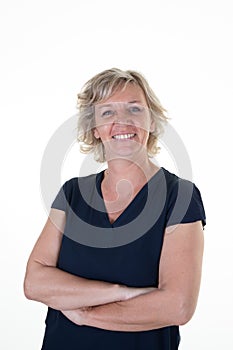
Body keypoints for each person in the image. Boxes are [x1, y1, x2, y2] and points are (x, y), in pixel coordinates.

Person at [24, 68, 206, 350]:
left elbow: (177, 306)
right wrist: (119, 293)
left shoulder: (179, 196)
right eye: (107, 112)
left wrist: (85, 314)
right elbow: (35, 282)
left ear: (152, 122)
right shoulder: (73, 193)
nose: (122, 120)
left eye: (134, 109)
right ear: (95, 129)